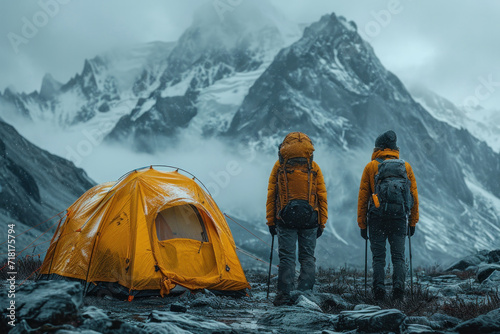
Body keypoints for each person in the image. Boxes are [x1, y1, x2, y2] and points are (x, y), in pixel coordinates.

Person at [266, 132, 328, 306]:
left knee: (287, 258)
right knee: (307, 257)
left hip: (285, 219)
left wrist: (271, 221)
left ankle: (283, 295)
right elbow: (322, 196)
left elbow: (272, 195)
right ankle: (305, 295)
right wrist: (321, 221)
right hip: (310, 220)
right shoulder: (313, 167)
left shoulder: (279, 167)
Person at [357, 130, 419, 301]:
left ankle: (379, 293)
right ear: (394, 148)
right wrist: (412, 222)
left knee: (378, 258)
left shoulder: (371, 167)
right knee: (398, 257)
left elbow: (363, 197)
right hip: (399, 218)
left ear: (380, 148)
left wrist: (362, 225)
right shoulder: (405, 167)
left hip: (377, 218)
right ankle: (399, 292)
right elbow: (413, 196)